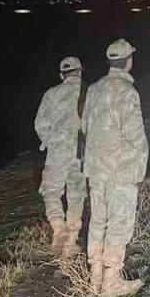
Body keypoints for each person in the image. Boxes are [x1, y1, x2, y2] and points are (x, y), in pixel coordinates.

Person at [81, 39, 149, 297]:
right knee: (119, 222)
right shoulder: (127, 92)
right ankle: (111, 282)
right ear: (128, 61)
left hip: (96, 168)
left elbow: (85, 126)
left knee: (98, 219)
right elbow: (135, 135)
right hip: (120, 170)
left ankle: (94, 278)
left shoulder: (95, 89)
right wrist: (140, 165)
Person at [34, 56, 89, 260]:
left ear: (61, 75)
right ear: (80, 72)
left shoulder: (51, 93)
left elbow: (40, 124)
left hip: (57, 149)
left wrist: (49, 141)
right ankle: (71, 240)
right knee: (76, 194)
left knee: (51, 189)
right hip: (80, 151)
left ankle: (58, 228)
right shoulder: (88, 92)